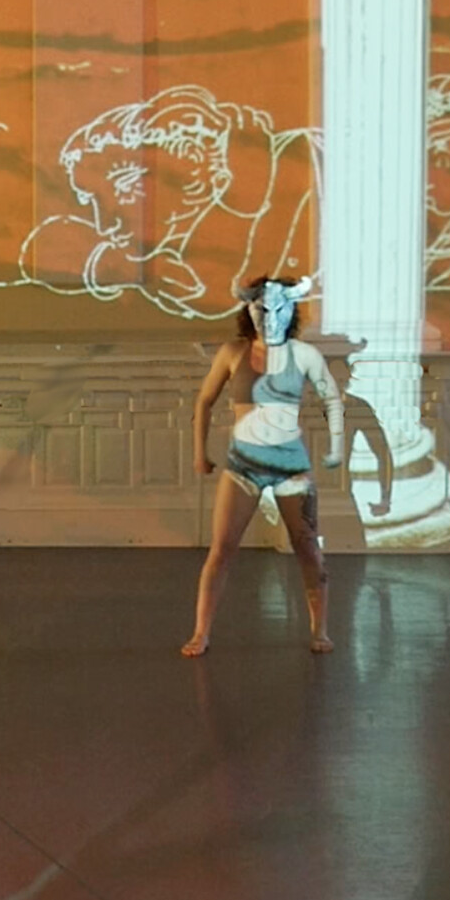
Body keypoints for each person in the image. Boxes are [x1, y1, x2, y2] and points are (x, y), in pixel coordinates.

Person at [183, 276, 344, 657]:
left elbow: (332, 399)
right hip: (243, 465)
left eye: (277, 309)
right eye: (261, 309)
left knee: (308, 548)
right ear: (249, 310)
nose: (268, 317)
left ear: (290, 312)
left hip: (292, 466)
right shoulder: (233, 352)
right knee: (222, 549)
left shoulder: (303, 354)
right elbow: (204, 400)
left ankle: (320, 630)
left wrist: (336, 447)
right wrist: (199, 452)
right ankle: (201, 631)